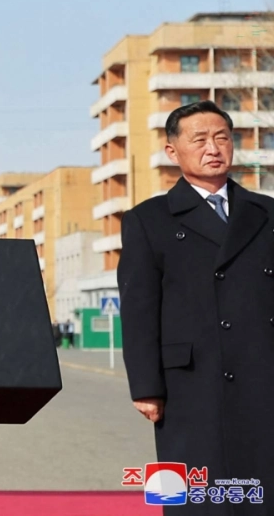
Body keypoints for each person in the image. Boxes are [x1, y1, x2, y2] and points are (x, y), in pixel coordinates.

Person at [119, 101, 274, 514]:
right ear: (173, 151)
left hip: (263, 371)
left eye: (222, 137)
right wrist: (146, 387)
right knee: (195, 493)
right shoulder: (148, 219)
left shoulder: (266, 212)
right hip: (190, 382)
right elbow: (138, 309)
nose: (213, 148)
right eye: (200, 139)